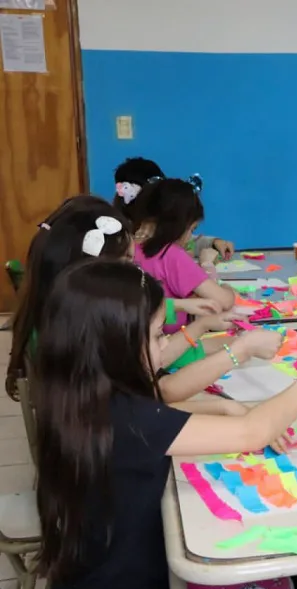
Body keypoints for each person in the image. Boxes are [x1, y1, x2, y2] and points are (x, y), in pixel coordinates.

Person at [32, 260, 297, 589]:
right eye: (156, 336)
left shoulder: (82, 397)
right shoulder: (129, 417)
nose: (165, 346)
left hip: (87, 579)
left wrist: (222, 407)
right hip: (128, 587)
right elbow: (250, 434)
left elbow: (160, 413)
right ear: (114, 345)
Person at [3, 199, 278, 408]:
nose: (135, 272)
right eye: (126, 262)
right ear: (91, 269)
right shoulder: (87, 332)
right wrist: (236, 354)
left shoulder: (59, 310)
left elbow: (153, 366)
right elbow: (159, 389)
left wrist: (207, 331)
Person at [130, 178, 236, 334]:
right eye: (192, 230)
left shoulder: (128, 247)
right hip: (169, 342)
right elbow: (223, 301)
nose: (189, 238)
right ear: (178, 225)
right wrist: (227, 288)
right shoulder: (171, 254)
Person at [113, 157, 235, 260]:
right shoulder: (120, 233)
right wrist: (205, 265)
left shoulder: (158, 223)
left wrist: (214, 242)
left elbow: (185, 240)